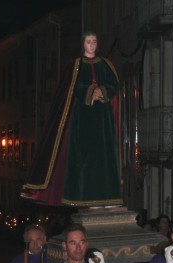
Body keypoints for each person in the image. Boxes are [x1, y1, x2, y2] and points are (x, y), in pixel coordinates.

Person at [21, 32, 122, 207]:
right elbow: (71, 90)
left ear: (97, 44)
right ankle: (85, 197)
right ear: (83, 44)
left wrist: (103, 91)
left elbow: (114, 84)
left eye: (94, 42)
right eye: (88, 41)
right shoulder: (74, 66)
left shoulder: (106, 65)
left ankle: (107, 197)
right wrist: (90, 92)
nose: (91, 45)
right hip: (82, 120)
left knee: (104, 156)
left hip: (103, 121)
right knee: (84, 159)